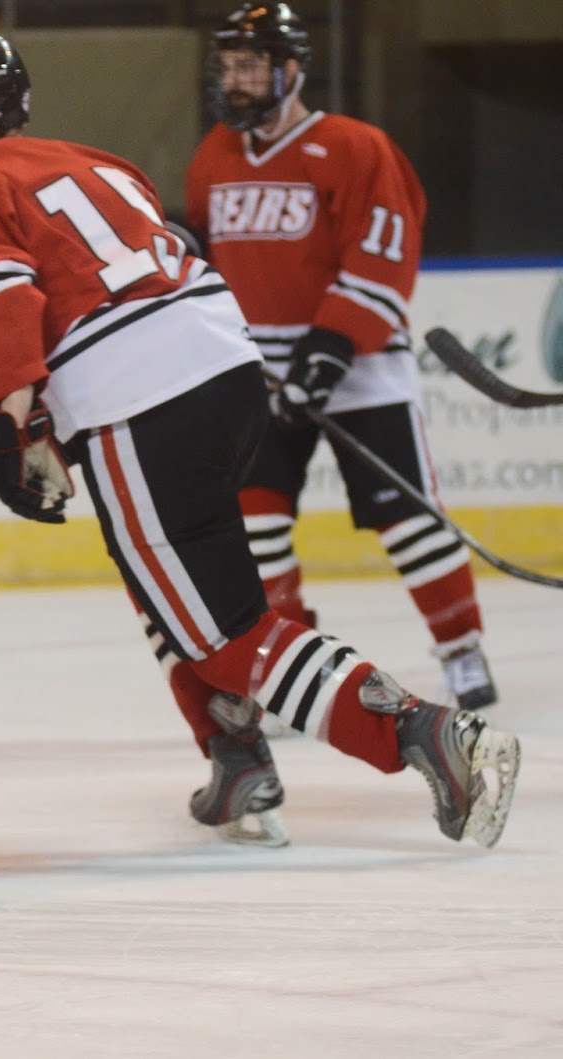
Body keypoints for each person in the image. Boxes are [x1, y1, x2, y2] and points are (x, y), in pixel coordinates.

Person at [0, 32, 520, 848]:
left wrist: (12, 431)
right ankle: (236, 754)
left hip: (135, 394)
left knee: (219, 631)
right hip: (230, 372)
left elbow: (2, 300)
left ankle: (428, 734)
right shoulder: (97, 160)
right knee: (165, 577)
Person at [185, 3, 496, 716]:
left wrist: (329, 351)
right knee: (255, 529)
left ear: (292, 69)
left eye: (250, 65)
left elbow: (383, 256)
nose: (235, 81)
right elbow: (209, 261)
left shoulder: (357, 147)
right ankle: (292, 663)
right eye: (228, 67)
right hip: (261, 378)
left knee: (410, 521)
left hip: (361, 369)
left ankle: (462, 648)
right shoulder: (213, 157)